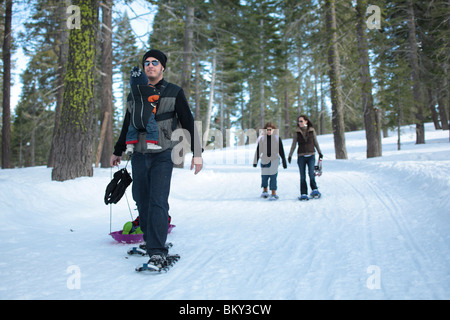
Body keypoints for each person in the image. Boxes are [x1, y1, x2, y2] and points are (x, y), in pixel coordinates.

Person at [110, 49, 203, 270]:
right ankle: (151, 241)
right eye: (147, 63)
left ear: (162, 67)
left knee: (157, 200)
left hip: (163, 153)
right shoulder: (134, 92)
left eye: (155, 62)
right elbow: (128, 123)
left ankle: (158, 252)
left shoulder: (174, 92)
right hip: (139, 154)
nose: (150, 66)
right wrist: (118, 149)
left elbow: (188, 123)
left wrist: (198, 154)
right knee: (141, 199)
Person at [125, 66, 161, 154]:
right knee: (152, 127)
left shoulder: (132, 94)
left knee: (131, 129)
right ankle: (150, 143)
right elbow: (157, 98)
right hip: (147, 115)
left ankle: (129, 146)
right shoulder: (150, 92)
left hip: (135, 117)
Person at [288, 115, 323, 201]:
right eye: (298, 121)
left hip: (311, 155)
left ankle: (315, 190)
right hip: (301, 156)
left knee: (311, 174)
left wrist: (319, 152)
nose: (299, 123)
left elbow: (315, 142)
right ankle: (303, 193)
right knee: (302, 176)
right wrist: (290, 155)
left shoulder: (311, 130)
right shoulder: (297, 132)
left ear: (306, 121)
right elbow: (293, 144)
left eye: (301, 121)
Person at [253, 122, 287, 200]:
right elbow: (258, 150)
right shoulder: (262, 139)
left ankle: (273, 192)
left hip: (274, 159)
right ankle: (265, 190)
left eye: (270, 130)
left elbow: (281, 150)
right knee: (264, 176)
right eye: (267, 130)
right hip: (264, 159)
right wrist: (255, 161)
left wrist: (284, 161)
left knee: (273, 176)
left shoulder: (277, 139)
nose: (269, 131)